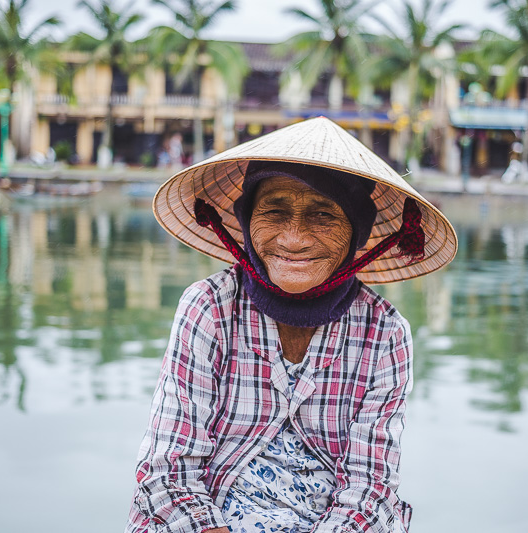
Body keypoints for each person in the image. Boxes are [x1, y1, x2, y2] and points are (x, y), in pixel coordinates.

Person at [126, 117, 458, 533]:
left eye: (323, 215)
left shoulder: (384, 333)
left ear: (356, 235)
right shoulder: (209, 307)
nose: (294, 238)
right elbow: (168, 472)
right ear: (247, 224)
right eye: (275, 211)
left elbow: (370, 489)